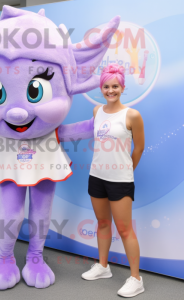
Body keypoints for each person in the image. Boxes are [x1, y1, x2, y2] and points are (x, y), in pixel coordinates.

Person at [81, 63, 145, 297]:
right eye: (106, 86)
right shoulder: (97, 111)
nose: (111, 90)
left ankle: (136, 279)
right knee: (102, 223)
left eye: (115, 86)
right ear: (102, 88)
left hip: (120, 180)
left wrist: (126, 170)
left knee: (125, 229)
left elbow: (138, 148)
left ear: (122, 87)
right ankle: (103, 266)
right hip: (96, 176)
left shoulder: (132, 115)